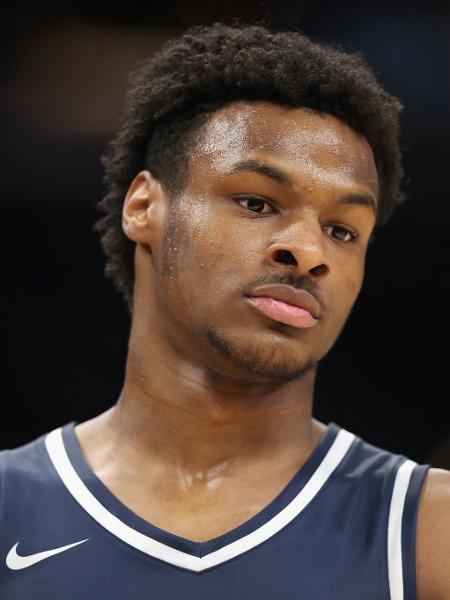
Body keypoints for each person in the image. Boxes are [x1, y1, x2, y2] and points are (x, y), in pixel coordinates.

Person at [0, 22, 448, 600]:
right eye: (257, 202)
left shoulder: (426, 530)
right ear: (145, 207)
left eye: (342, 230)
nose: (309, 252)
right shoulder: (10, 506)